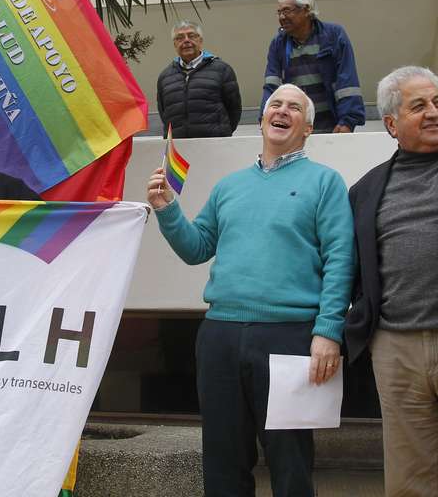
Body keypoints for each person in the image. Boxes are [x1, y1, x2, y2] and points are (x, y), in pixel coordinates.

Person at [147, 84, 355, 497]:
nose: (282, 111)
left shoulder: (325, 182)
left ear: (308, 127)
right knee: (223, 458)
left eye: (294, 107)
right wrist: (168, 209)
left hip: (291, 336)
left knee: (290, 461)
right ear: (261, 119)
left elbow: (340, 259)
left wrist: (328, 331)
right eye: (274, 104)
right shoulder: (229, 186)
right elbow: (196, 249)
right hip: (219, 335)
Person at [345, 66, 438, 497]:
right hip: (396, 349)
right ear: (391, 124)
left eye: (437, 102)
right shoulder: (365, 190)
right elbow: (349, 268)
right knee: (409, 479)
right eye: (419, 106)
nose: (433, 112)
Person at [260, 0, 365, 133]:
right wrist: (264, 118)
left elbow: (347, 81)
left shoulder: (334, 35)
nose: (282, 17)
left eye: (287, 11)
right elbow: (272, 86)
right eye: (279, 12)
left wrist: (347, 121)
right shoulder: (279, 43)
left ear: (306, 10)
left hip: (332, 125)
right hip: (294, 127)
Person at [157, 20, 241, 138]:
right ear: (175, 44)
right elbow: (163, 113)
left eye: (191, 36)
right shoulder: (165, 77)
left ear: (200, 41)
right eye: (180, 38)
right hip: (177, 148)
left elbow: (234, 110)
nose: (186, 40)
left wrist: (221, 133)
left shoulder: (222, 70)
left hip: (215, 144)